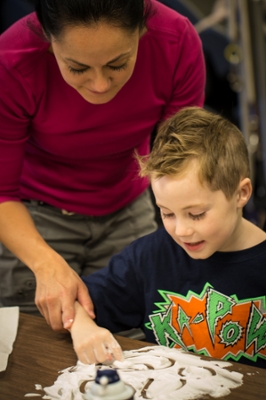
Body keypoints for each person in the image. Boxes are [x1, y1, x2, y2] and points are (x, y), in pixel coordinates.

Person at [0, 0, 206, 331]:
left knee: (137, 342)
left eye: (118, 63)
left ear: (142, 31)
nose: (100, 85)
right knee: (34, 346)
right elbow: (1, 193)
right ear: (47, 38)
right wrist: (45, 264)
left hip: (129, 207)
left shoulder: (176, 40)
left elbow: (179, 162)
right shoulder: (10, 62)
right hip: (33, 219)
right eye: (78, 68)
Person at [69, 107, 266, 369]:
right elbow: (78, 300)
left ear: (241, 193)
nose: (181, 230)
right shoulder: (148, 258)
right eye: (167, 213)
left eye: (196, 214)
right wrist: (81, 326)